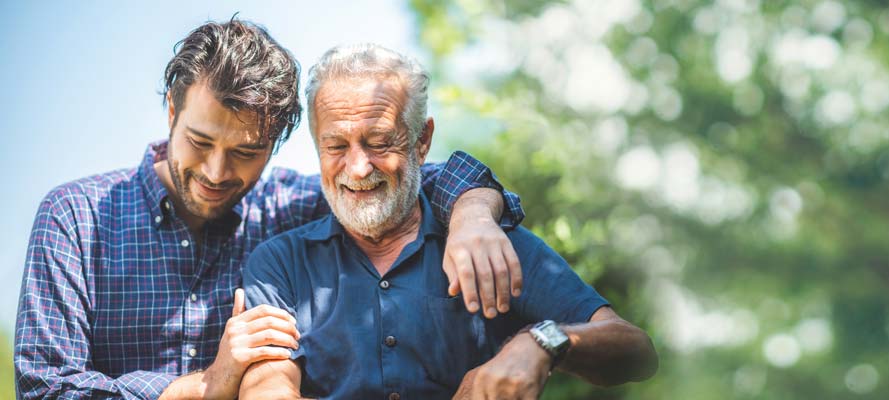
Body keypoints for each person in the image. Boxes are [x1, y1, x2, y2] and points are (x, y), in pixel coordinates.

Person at [15, 18, 527, 400]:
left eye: (245, 152)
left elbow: (407, 178)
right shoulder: (75, 217)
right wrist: (202, 387)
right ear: (172, 111)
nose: (217, 172)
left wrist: (473, 214)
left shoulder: (292, 206)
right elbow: (44, 388)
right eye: (199, 142)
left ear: (276, 144)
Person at [238, 43, 658, 399]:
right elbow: (267, 388)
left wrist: (541, 341)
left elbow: (636, 351)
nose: (359, 168)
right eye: (335, 146)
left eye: (380, 142)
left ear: (422, 141)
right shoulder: (280, 262)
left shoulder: (489, 242)